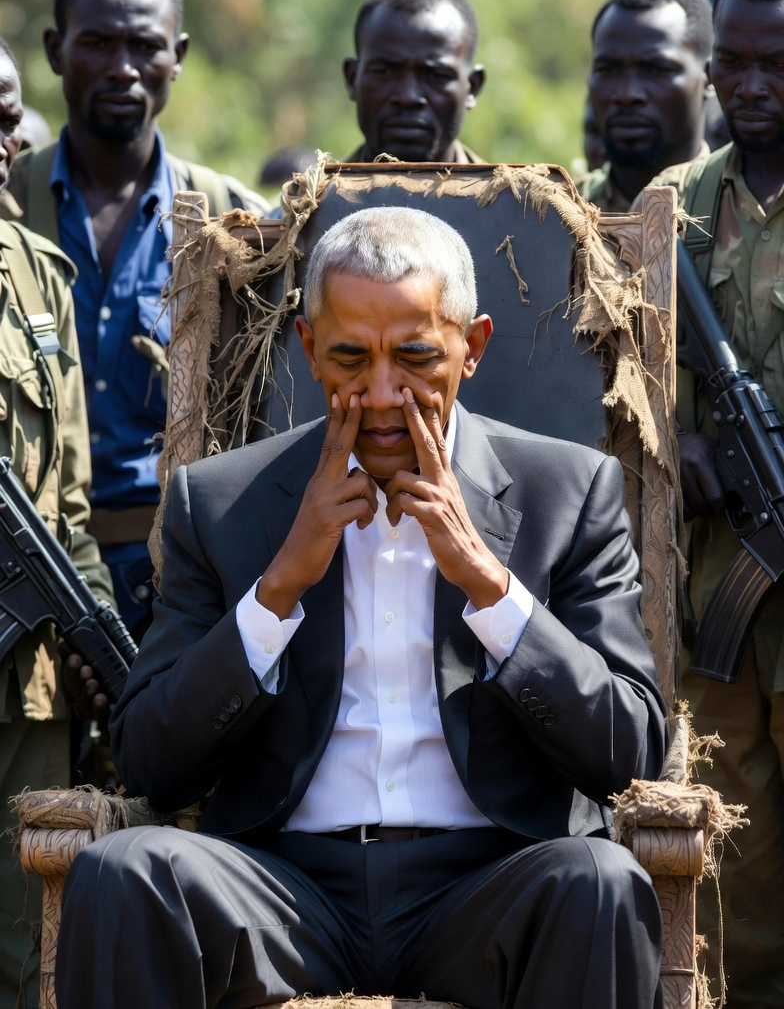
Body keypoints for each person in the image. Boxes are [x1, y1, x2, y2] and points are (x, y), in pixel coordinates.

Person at [55, 206, 667, 1009]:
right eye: (350, 358)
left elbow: (631, 751)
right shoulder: (222, 502)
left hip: (488, 884)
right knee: (120, 870)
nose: (381, 395)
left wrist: (488, 583)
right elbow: (150, 764)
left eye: (415, 356)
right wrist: (278, 589)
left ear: (471, 347)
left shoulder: (568, 491)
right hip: (287, 890)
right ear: (309, 349)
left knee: (601, 879)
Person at [0, 0, 269, 640]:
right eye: (98, 43)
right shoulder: (8, 206)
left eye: (145, 45)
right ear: (57, 51)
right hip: (24, 563)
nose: (123, 67)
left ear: (177, 56)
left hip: (183, 571)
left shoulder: (231, 220)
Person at [651, 0, 784, 1005]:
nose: (746, 86)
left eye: (772, 65)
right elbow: (619, 373)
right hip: (718, 610)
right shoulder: (677, 206)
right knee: (733, 879)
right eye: (728, 63)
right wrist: (676, 436)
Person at [0, 38, 114, 1009]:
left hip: (27, 697)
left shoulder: (41, 277)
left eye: (9, 117)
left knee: (26, 958)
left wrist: (101, 642)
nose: (5, 140)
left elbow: (68, 504)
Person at [578, 0, 713, 213]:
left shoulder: (749, 216)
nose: (627, 94)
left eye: (657, 70)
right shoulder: (552, 214)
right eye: (607, 70)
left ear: (709, 78)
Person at [343, 0, 486, 163]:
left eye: (436, 75)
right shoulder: (310, 192)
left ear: (472, 87)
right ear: (352, 79)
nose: (408, 98)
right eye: (385, 73)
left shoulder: (516, 192)